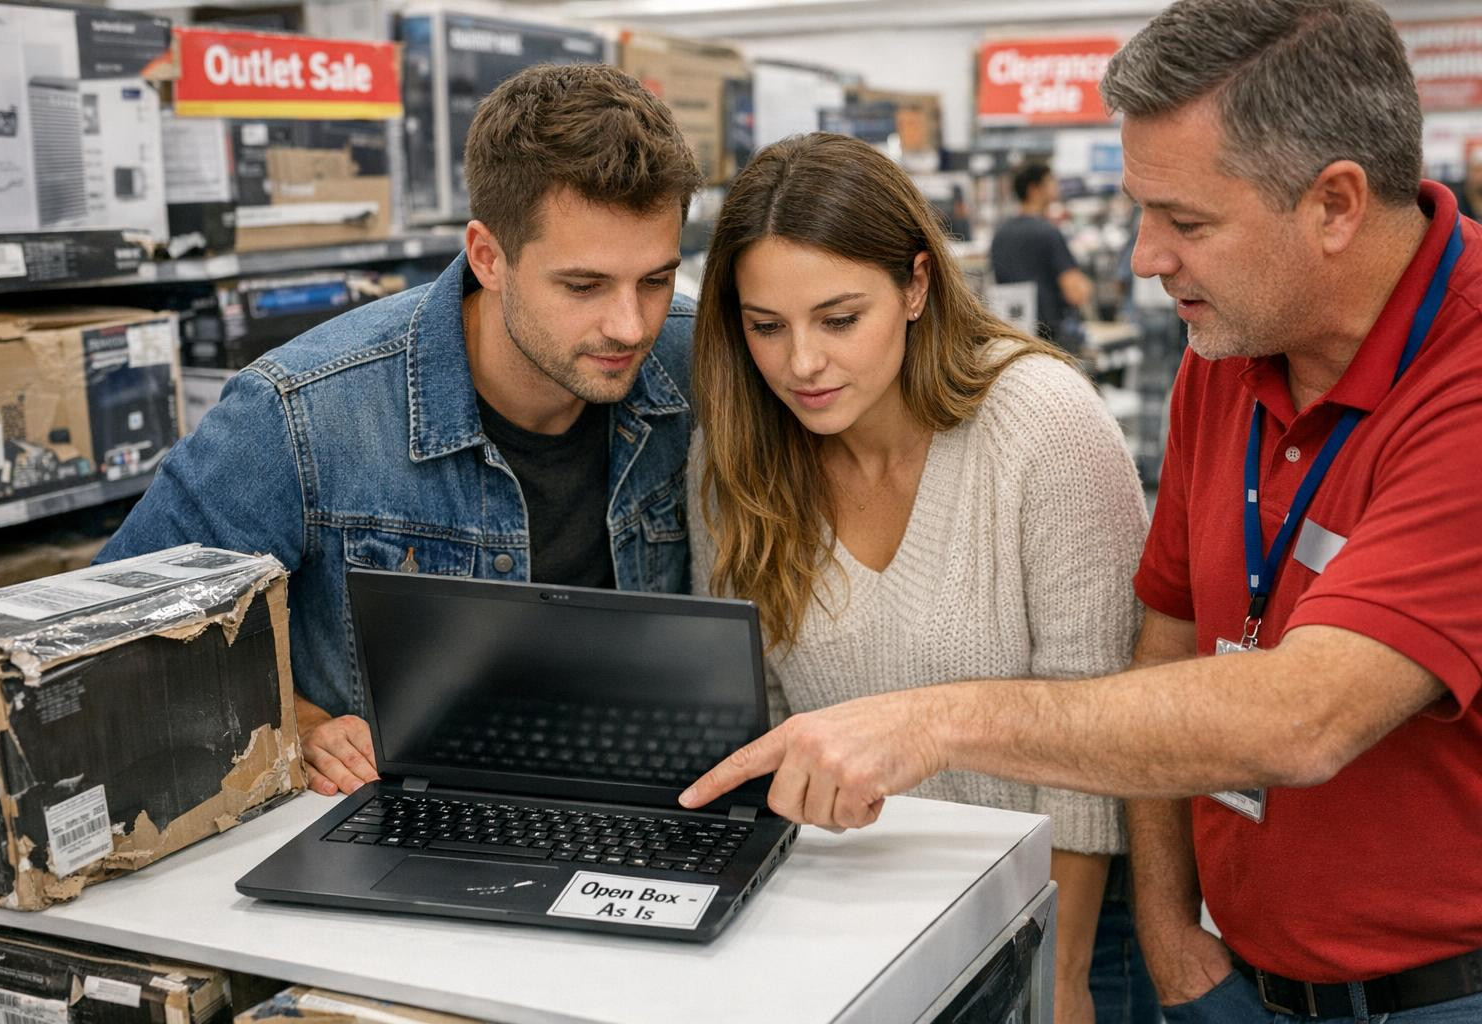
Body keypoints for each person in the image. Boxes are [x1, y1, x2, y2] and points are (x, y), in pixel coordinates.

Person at [680, 2, 1482, 1022]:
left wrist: (936, 720)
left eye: (1186, 221)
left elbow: (1304, 717)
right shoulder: (1228, 352)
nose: (1145, 256)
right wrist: (1168, 930)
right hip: (1233, 977)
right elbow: (1168, 638)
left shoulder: (1465, 384)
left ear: (1334, 204)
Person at [98, 63, 703, 798]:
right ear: (488, 257)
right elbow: (116, 642)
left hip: (645, 802)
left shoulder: (696, 359)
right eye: (583, 286)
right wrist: (297, 721)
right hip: (405, 819)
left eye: (656, 279)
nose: (629, 326)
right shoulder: (301, 413)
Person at [689, 132, 1153, 1024]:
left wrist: (1057, 977)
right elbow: (770, 724)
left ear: (914, 286)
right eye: (766, 327)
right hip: (853, 932)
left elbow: (1095, 746)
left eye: (838, 318)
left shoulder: (1040, 424)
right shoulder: (735, 461)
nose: (802, 365)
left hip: (1055, 917)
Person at [989, 160, 1095, 350]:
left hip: (1013, 336)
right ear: (1034, 189)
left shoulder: (1000, 234)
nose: (1056, 186)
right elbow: (1075, 293)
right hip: (1051, 338)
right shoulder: (1048, 233)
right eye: (1050, 181)